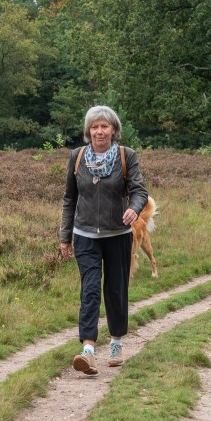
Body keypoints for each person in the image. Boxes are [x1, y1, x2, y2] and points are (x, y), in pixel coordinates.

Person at [60, 106, 149, 375]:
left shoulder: (126, 156)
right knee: (89, 289)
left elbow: (139, 191)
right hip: (85, 235)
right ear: (88, 131)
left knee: (115, 289)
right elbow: (69, 198)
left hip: (118, 235)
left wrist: (134, 208)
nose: (99, 131)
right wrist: (65, 236)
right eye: (95, 127)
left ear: (113, 130)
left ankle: (116, 343)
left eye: (104, 126)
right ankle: (88, 350)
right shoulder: (77, 157)